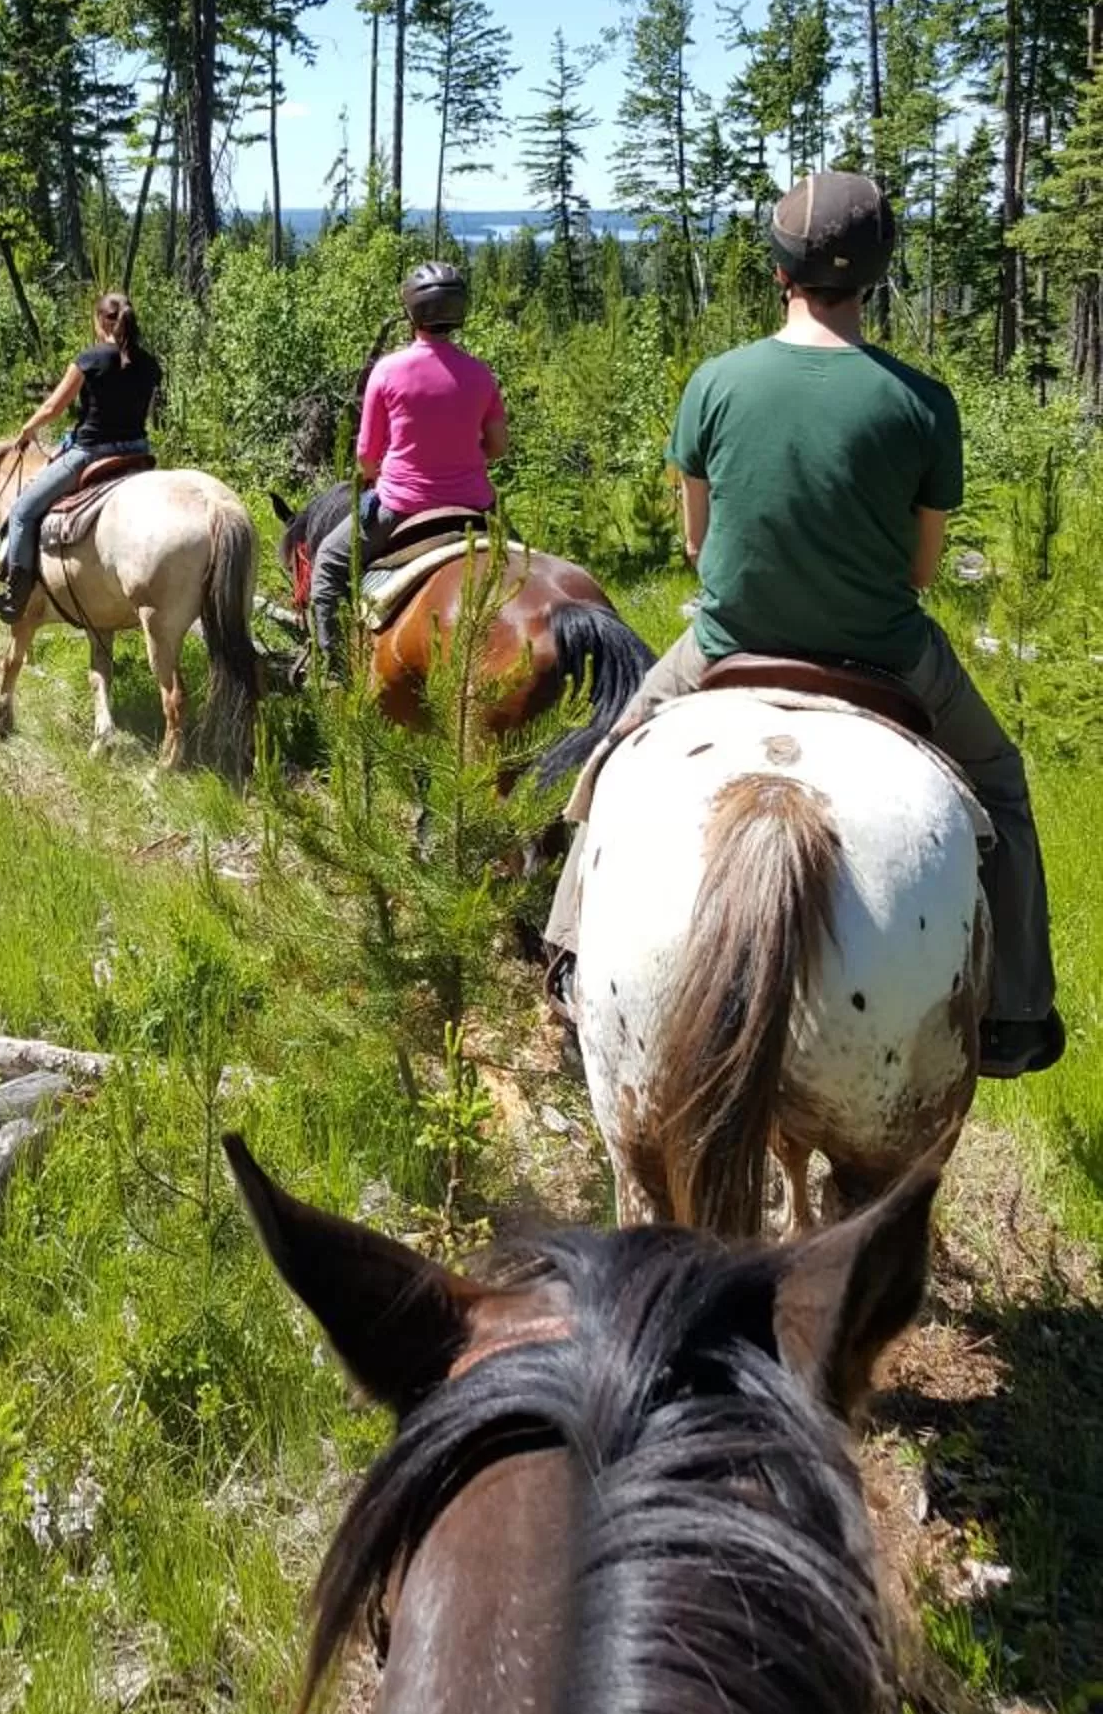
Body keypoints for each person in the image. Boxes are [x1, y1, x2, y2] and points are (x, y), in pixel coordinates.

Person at [543, 170, 1062, 1080]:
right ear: (875, 279)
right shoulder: (922, 401)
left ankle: (571, 952)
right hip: (891, 654)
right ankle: (1017, 1009)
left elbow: (700, 548)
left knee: (617, 756)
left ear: (781, 273)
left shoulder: (714, 382)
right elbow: (922, 571)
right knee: (1004, 787)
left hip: (727, 643)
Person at [309, 261, 508, 671]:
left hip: (400, 506)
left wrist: (382, 471)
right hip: (477, 508)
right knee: (528, 565)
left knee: (327, 567)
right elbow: (498, 447)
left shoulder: (388, 370)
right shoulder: (480, 374)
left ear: (411, 313)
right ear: (459, 313)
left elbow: (366, 458)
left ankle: (334, 673)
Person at [0, 291, 161, 623]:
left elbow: (53, 407)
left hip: (89, 454)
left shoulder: (90, 359)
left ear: (100, 321)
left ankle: (14, 598)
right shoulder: (150, 365)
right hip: (139, 453)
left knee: (21, 511)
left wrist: (27, 430)